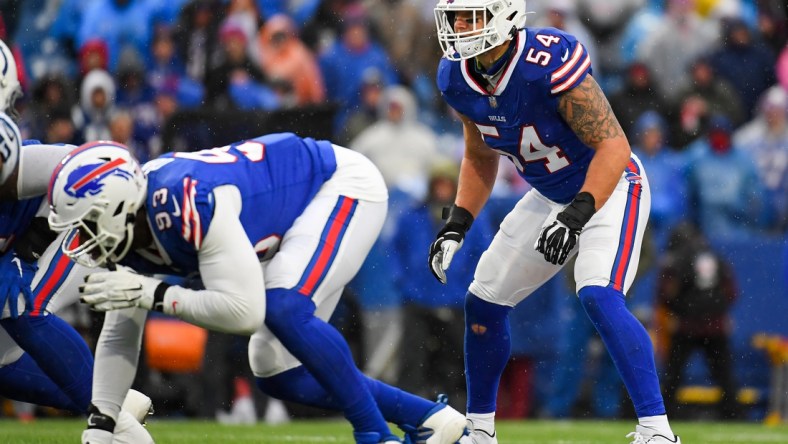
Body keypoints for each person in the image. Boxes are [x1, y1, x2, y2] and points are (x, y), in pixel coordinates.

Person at [47, 134, 467, 444]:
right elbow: (121, 331)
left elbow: (244, 311)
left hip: (338, 185)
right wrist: (102, 425)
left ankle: (375, 435)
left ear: (119, 206)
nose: (81, 239)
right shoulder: (131, 225)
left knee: (283, 308)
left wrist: (154, 295)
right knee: (276, 371)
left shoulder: (184, 203)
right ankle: (431, 419)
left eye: (86, 223)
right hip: (291, 215)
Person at [430, 1, 679, 443]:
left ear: (505, 15)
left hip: (611, 188)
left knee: (597, 293)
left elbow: (613, 146)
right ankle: (481, 432)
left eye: (474, 16)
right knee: (483, 299)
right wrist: (457, 223)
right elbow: (479, 155)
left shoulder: (545, 60)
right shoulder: (456, 76)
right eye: (457, 18)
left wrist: (576, 215)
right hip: (549, 195)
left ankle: (657, 431)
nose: (463, 27)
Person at [0, 39, 153, 443]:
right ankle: (114, 404)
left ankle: (115, 428)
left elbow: (92, 166)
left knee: (19, 307)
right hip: (29, 241)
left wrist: (27, 250)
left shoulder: (18, 156)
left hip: (72, 225)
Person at [656, 222, 741, 420]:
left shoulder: (675, 259)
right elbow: (731, 291)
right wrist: (716, 312)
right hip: (716, 326)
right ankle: (734, 415)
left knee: (673, 376)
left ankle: (663, 416)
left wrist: (681, 312)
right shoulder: (715, 257)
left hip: (686, 326)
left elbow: (666, 293)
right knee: (724, 376)